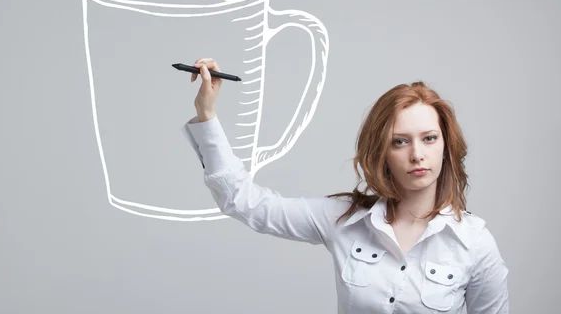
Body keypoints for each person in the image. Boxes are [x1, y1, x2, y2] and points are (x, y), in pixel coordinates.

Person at [181, 57, 510, 313]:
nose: (417, 155)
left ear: (445, 145)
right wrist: (206, 114)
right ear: (382, 152)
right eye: (400, 142)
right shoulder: (345, 221)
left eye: (429, 138)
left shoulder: (475, 244)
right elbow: (244, 201)